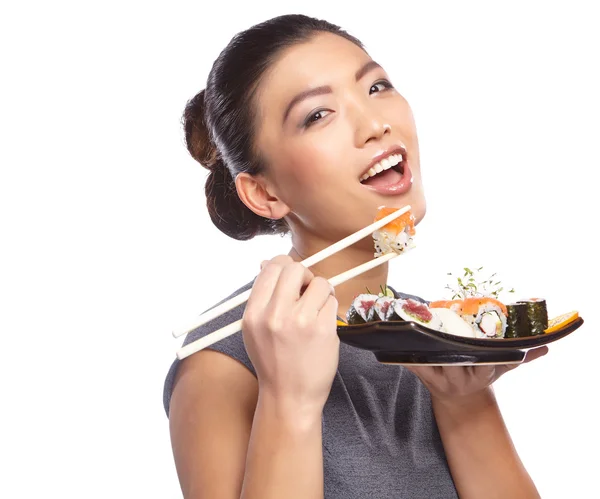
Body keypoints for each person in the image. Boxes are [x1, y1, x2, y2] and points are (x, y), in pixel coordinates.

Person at [163, 14, 546, 499]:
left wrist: (466, 403)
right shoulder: (218, 370)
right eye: (318, 115)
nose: (375, 124)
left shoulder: (429, 337)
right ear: (263, 194)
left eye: (377, 86)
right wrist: (289, 400)